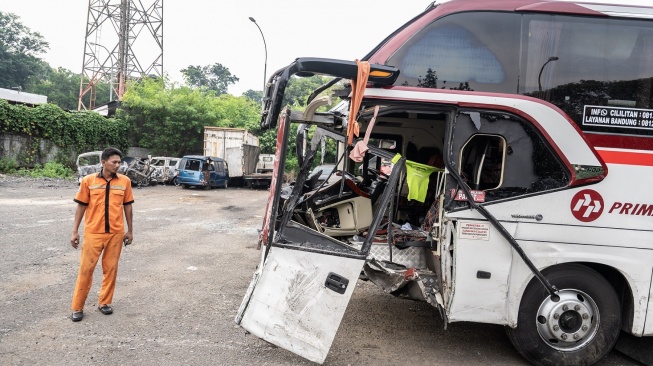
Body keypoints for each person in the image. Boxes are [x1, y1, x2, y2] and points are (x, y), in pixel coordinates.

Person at [69, 147, 134, 322]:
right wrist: (75, 231)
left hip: (116, 233)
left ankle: (104, 302)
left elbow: (127, 206)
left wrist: (130, 230)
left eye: (119, 162)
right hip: (93, 233)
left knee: (111, 269)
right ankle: (77, 307)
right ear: (103, 162)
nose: (118, 165)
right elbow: (81, 206)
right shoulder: (88, 181)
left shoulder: (125, 182)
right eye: (114, 162)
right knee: (86, 269)